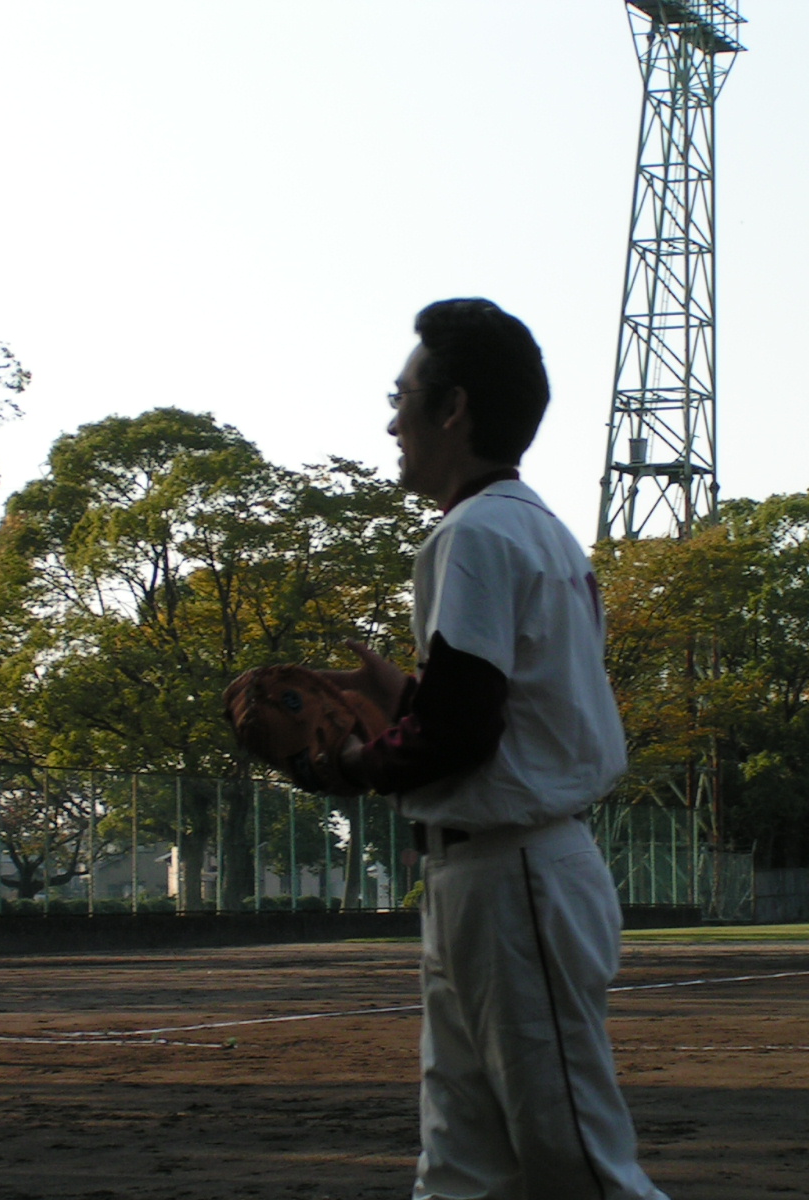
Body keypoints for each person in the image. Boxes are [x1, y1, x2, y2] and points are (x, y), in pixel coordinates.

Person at [328, 299, 667, 1200]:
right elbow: (494, 713)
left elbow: (462, 733)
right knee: (462, 1171)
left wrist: (352, 766)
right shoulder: (537, 526)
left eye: (402, 398)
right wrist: (403, 699)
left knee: (578, 1167)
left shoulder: (474, 532)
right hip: (499, 872)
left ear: (454, 409)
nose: (391, 422)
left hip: (513, 878)